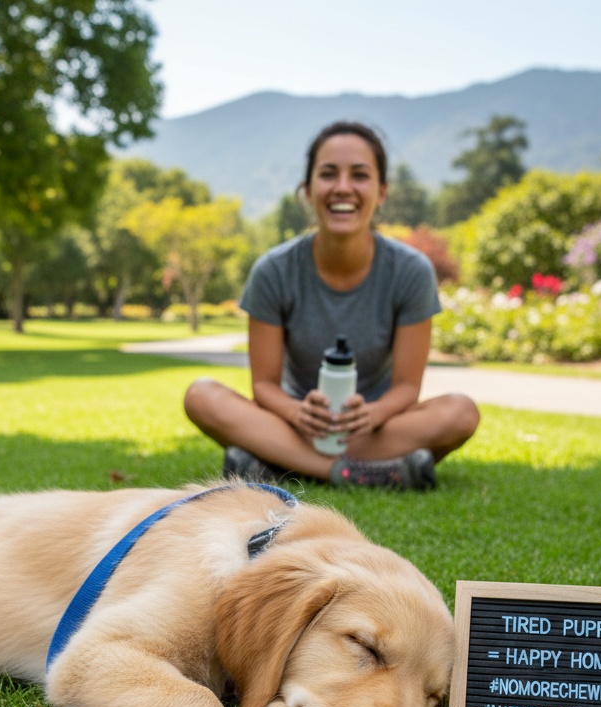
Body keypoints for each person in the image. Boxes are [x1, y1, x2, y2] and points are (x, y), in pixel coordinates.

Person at [184, 121, 479, 490]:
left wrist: (373, 414)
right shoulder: (273, 271)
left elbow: (406, 387)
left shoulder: (411, 271)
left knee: (461, 411)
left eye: (359, 175)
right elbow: (264, 384)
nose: (343, 188)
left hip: (373, 431)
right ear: (307, 190)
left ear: (382, 191)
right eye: (328, 174)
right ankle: (357, 474)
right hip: (293, 427)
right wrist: (297, 412)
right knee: (202, 395)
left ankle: (275, 466)